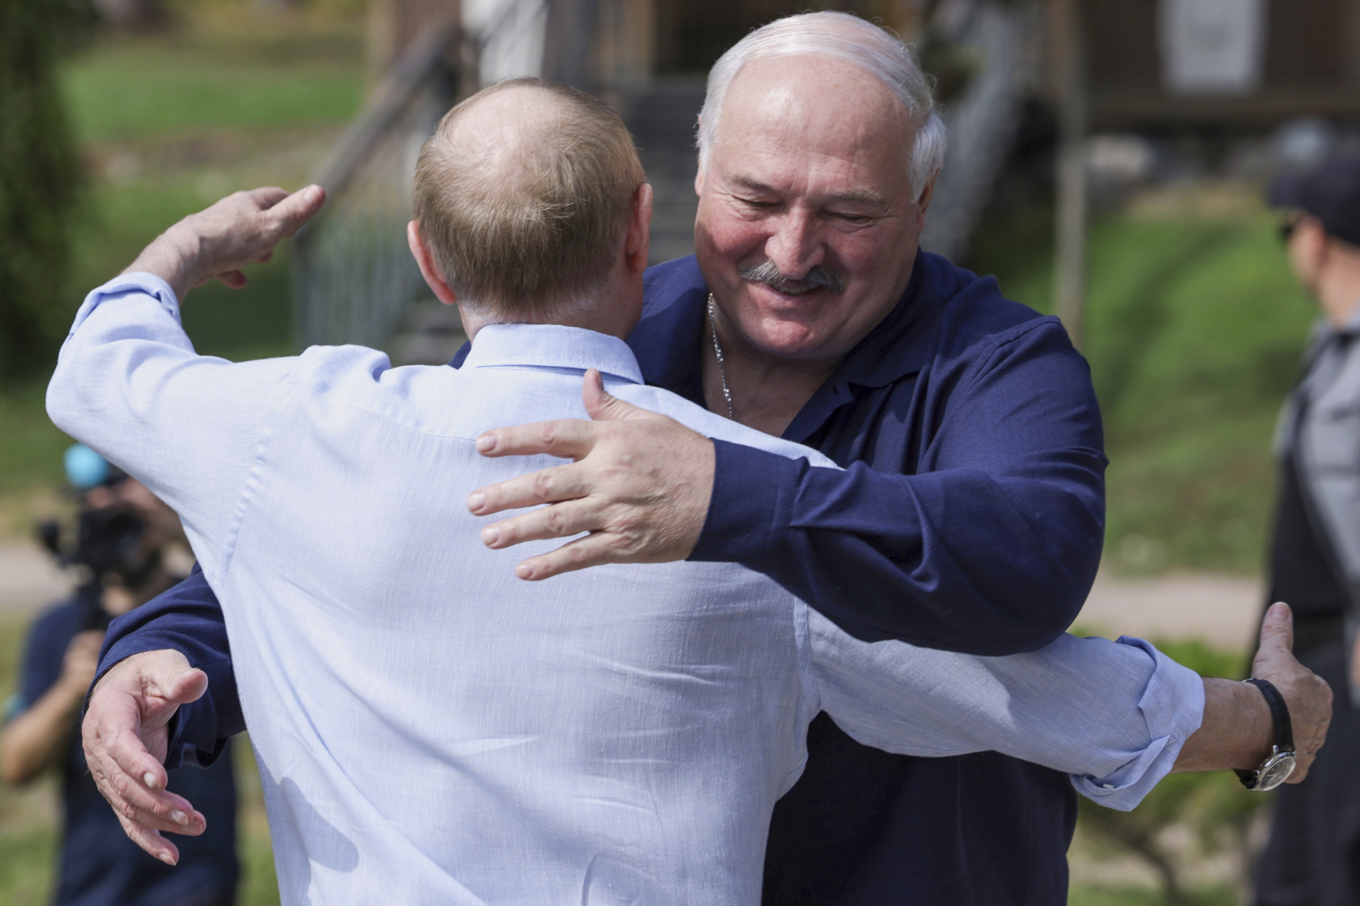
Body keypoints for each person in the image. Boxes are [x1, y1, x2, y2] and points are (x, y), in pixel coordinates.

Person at [76, 13, 1330, 904]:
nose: (791, 249)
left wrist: (734, 500)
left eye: (846, 211)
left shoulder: (998, 365)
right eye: (756, 198)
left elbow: (1024, 587)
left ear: (921, 206)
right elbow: (408, 528)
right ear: (666, 203)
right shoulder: (598, 347)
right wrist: (165, 650)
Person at [0, 450, 238, 906]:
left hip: (199, 881)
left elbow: (238, 574)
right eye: (98, 501)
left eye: (128, 491)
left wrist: (171, 517)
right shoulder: (61, 627)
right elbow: (15, 764)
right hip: (94, 887)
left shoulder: (208, 618)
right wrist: (71, 691)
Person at [1255, 156, 1360, 906]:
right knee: (1294, 873)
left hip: (1347, 660)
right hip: (1309, 663)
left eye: (1287, 228)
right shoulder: (1330, 349)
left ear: (1316, 238)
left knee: (1331, 871)